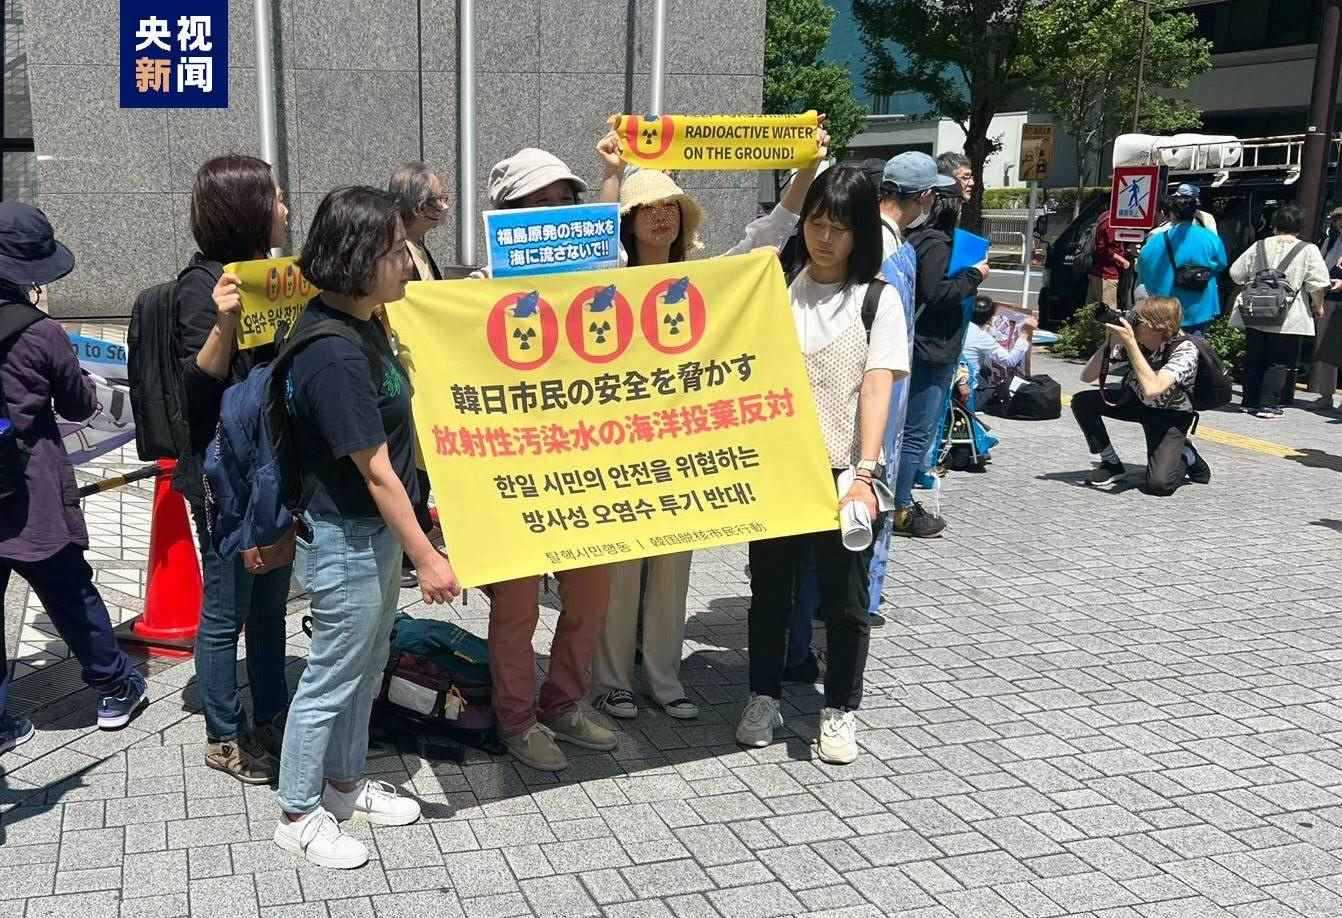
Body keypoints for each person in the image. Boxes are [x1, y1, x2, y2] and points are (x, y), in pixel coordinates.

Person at [595, 140, 829, 723]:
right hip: (618, 449)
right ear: (627, 221)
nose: (661, 216)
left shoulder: (703, 281)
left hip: (682, 449)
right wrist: (611, 174)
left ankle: (664, 677)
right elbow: (595, 245)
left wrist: (806, 167)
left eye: (670, 206)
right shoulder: (607, 281)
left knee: (672, 570)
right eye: (647, 207)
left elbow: (772, 232)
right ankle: (611, 682)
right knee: (619, 571)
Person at [271, 187, 461, 870]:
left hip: (369, 535)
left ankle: (345, 785)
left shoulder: (362, 322)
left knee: (365, 665)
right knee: (331, 676)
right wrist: (428, 556)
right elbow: (375, 471)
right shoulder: (333, 353)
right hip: (346, 536)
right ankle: (298, 813)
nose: (408, 262)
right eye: (395, 251)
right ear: (357, 258)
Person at [736, 165, 909, 765]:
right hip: (779, 468)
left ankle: (838, 710)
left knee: (845, 601)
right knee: (770, 594)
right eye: (816, 223)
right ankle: (762, 696)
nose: (825, 238)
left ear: (861, 231)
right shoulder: (779, 286)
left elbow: (877, 385)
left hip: (844, 472)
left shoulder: (877, 301)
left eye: (839, 227)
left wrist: (864, 475)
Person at [479, 136, 625, 773]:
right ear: (509, 219)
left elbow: (609, 240)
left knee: (589, 597)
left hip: (588, 470)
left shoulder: (599, 284)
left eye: (566, 203)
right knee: (515, 609)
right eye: (540, 206)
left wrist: (613, 174)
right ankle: (516, 719)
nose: (556, 219)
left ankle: (564, 702)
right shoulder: (481, 290)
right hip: (516, 475)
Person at [0, 203, 148, 757]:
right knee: (69, 591)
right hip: (31, 489)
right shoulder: (41, 334)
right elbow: (79, 404)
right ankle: (114, 688)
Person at [179, 155, 293, 785]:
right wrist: (224, 320)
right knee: (226, 609)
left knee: (271, 603)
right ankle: (224, 735)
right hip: (225, 477)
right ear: (246, 209)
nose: (285, 209)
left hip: (274, 468)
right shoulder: (201, 287)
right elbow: (197, 391)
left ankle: (273, 714)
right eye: (275, 198)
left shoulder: (276, 278)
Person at [891, 153, 987, 538]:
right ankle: (899, 508)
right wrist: (973, 276)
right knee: (916, 432)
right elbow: (934, 293)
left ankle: (898, 500)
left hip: (925, 346)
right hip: (930, 349)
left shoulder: (917, 237)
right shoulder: (934, 241)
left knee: (911, 430)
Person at [1072, 296, 1210, 494]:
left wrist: (1130, 343)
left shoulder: (1185, 349)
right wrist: (1110, 343)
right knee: (1083, 401)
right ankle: (1110, 463)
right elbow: (1087, 376)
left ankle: (1186, 455)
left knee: (1159, 485)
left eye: (1137, 319)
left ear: (1156, 326)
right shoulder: (1138, 342)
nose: (1131, 321)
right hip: (1136, 402)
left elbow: (1153, 389)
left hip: (1169, 415)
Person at [385, 162, 447, 588]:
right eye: (436, 199)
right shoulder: (400, 254)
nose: (443, 206)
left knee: (420, 458)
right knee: (408, 461)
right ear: (414, 204)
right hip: (403, 370)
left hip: (421, 368)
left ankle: (418, 532)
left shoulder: (418, 247)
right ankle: (410, 548)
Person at [1229, 203, 1330, 419]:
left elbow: (1236, 273)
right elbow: (1318, 283)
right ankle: (1268, 405)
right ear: (1299, 227)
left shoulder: (1258, 246)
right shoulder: (1308, 249)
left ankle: (1249, 401)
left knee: (1255, 357)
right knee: (1279, 361)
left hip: (1255, 310)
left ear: (1274, 225)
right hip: (1289, 314)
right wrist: (1318, 305)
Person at [1137, 184, 1227, 334]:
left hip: (1166, 306)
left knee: (1164, 343)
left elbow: (1142, 267)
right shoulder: (1210, 238)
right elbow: (1221, 264)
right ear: (1194, 212)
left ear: (1172, 213)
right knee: (1195, 343)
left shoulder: (1156, 239)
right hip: (1200, 305)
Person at [960, 296, 1034, 404]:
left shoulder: (958, 327)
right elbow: (1010, 361)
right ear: (989, 318)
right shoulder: (981, 337)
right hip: (967, 392)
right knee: (1001, 391)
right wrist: (1025, 334)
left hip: (950, 383)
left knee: (985, 370)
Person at [1309, 206, 1342, 410]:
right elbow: (1319, 268)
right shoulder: (1330, 241)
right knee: (1325, 348)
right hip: (1329, 299)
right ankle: (1325, 395)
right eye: (1338, 219)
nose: (1341, 223)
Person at [1088, 211, 1129, 309]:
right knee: (1108, 313)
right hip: (1107, 275)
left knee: (1090, 312)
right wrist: (1122, 260)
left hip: (1098, 273)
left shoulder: (1105, 216)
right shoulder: (1111, 221)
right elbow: (1103, 248)